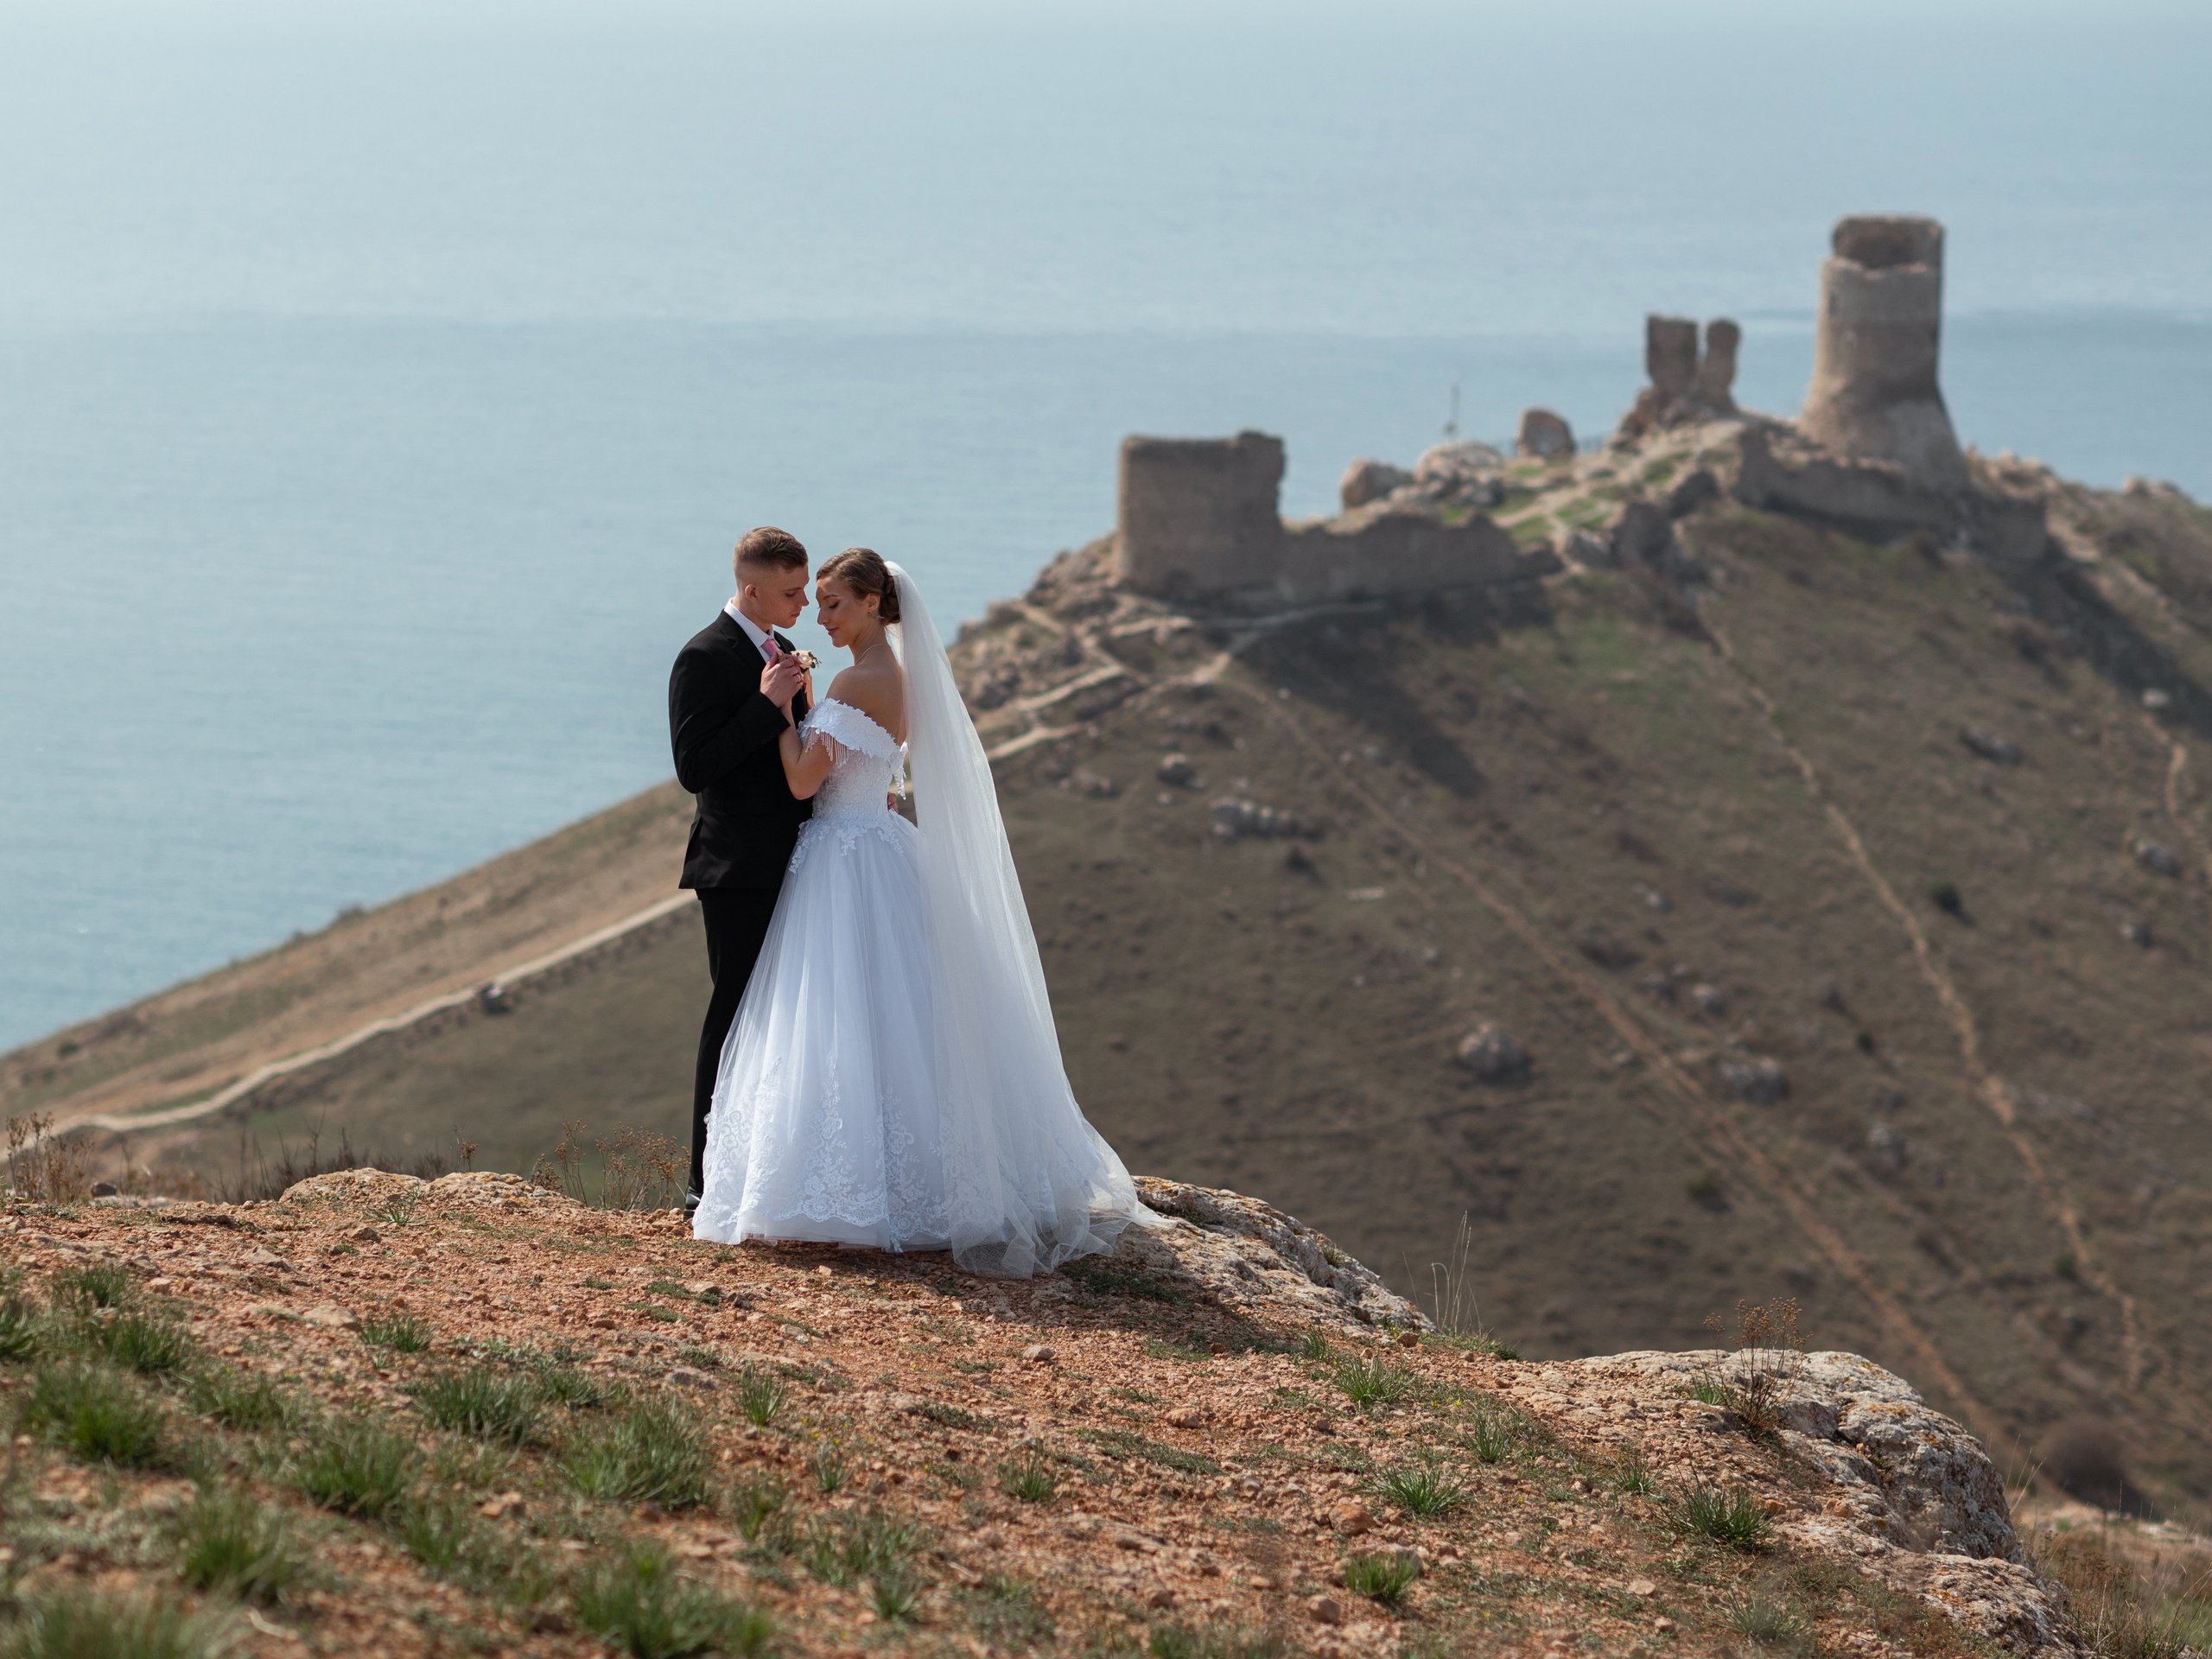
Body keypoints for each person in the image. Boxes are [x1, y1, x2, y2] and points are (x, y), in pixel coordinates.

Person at [692, 548, 1153, 1275]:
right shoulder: (904, 679)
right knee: (903, 1014)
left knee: (843, 1016)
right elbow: (881, 771)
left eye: (834, 603)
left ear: (874, 604)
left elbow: (805, 782)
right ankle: (928, 1180)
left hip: (842, 856)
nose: (820, 616)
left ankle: (853, 1190)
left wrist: (778, 708)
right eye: (816, 601)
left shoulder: (852, 681)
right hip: (880, 844)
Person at [667, 526, 815, 1217]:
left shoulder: (782, 650)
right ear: (751, 590)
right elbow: (693, 768)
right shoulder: (703, 656)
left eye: (806, 589)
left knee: (794, 1024)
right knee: (732, 1017)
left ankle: (773, 1177)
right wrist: (765, 704)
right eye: (791, 592)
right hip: (738, 870)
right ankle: (705, 1184)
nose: (804, 603)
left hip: (802, 860)